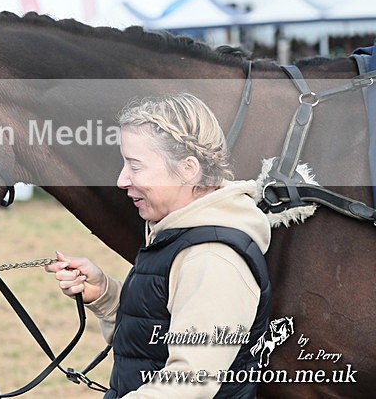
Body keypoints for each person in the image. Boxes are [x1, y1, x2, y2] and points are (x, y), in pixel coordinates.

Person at [46, 93, 271, 398]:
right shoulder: (176, 235)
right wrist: (105, 295)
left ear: (188, 169)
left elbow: (190, 383)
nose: (121, 180)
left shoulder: (211, 258)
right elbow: (151, 343)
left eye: (135, 166)